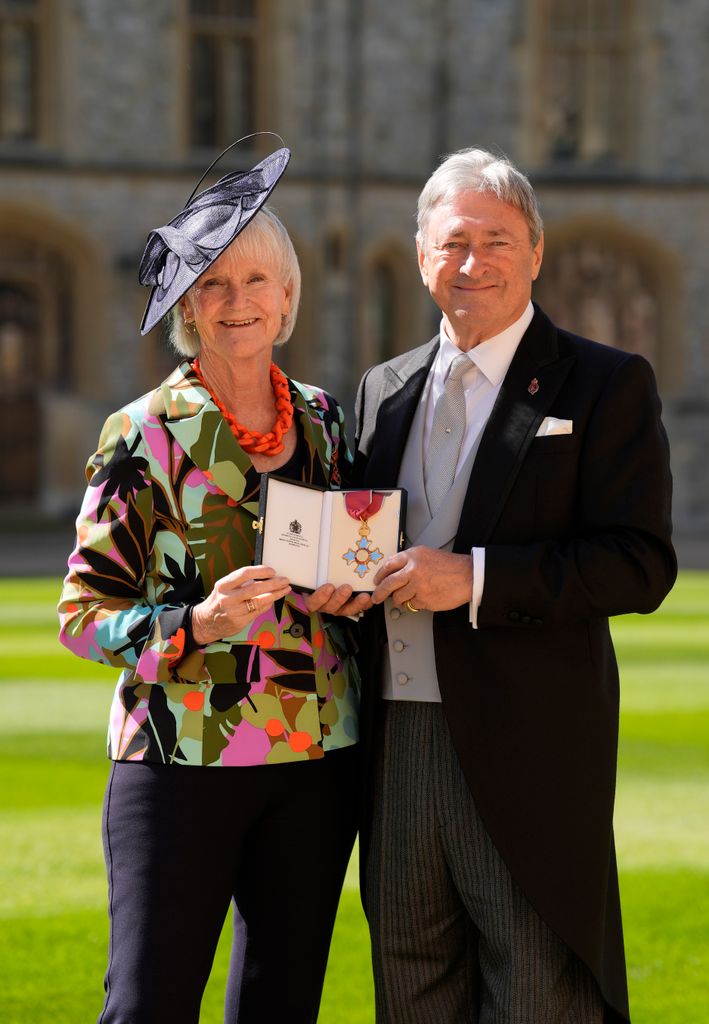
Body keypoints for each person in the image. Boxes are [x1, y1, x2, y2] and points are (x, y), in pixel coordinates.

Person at [353, 147, 677, 1023]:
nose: (472, 262)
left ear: (535, 252)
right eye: (452, 242)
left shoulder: (605, 382)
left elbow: (640, 563)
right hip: (393, 739)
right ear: (422, 257)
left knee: (535, 990)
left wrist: (476, 579)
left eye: (495, 241)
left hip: (528, 740)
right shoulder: (381, 390)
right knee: (409, 983)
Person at [58, 143, 368, 1024]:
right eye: (214, 286)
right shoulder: (142, 431)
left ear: (287, 295)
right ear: (188, 306)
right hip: (180, 756)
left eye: (256, 281)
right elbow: (83, 615)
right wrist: (192, 620)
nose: (238, 303)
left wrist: (353, 589)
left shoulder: (326, 421)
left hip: (317, 756)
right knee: (148, 1005)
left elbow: (346, 561)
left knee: (281, 1005)